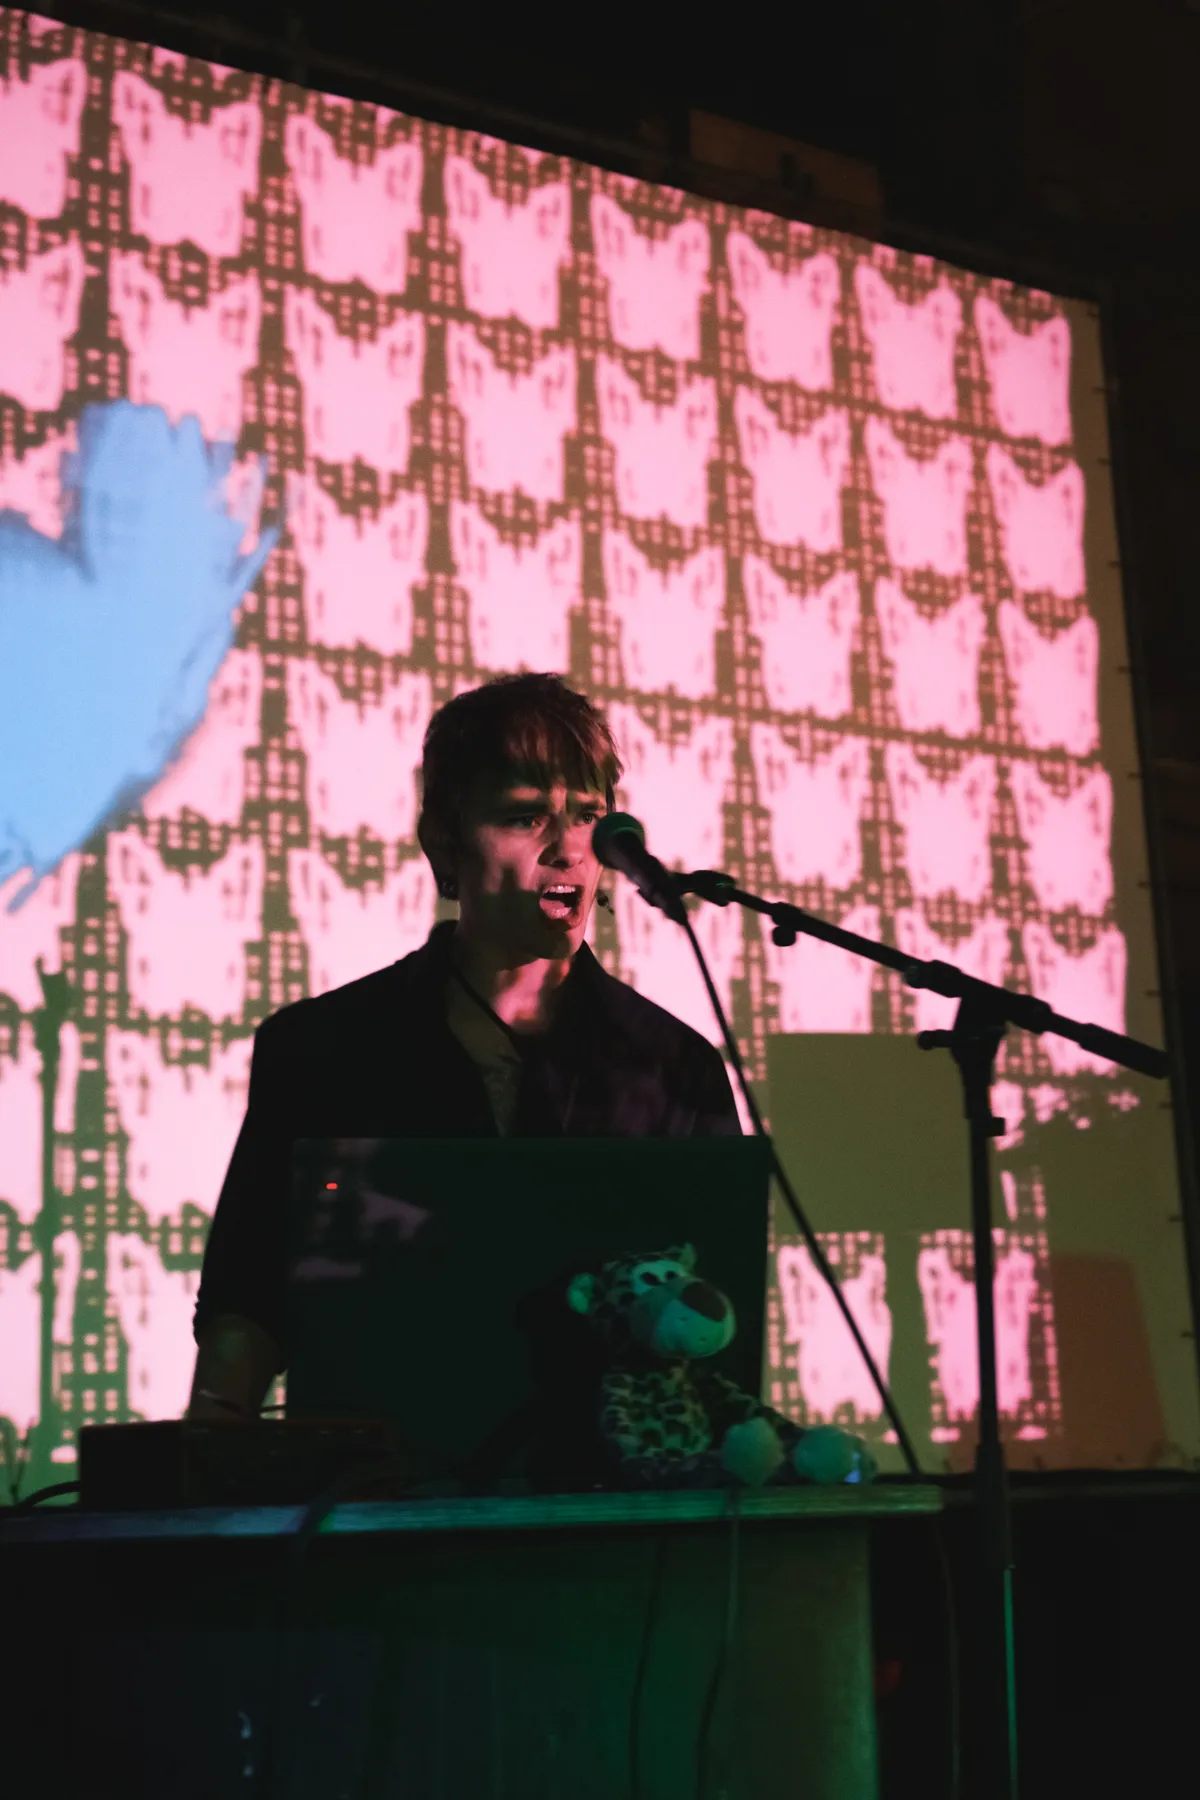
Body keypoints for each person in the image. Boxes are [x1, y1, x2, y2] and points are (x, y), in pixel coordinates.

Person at [187, 673, 741, 1421]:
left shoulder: (675, 1065)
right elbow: (248, 1301)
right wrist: (208, 1459)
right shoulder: (321, 1047)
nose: (567, 849)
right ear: (444, 840)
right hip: (378, 1475)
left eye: (587, 816)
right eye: (524, 817)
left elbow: (715, 1314)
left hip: (605, 1476)